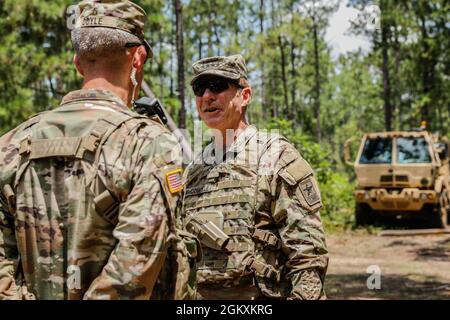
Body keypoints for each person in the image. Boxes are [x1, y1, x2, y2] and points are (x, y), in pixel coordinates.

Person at [0, 0, 186, 300]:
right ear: (137, 58)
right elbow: (136, 261)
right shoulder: (149, 143)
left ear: (77, 62)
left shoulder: (12, 144)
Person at [180, 54, 329, 300]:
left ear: (245, 95)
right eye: (199, 88)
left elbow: (308, 254)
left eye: (218, 86)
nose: (207, 96)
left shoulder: (275, 156)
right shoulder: (195, 168)